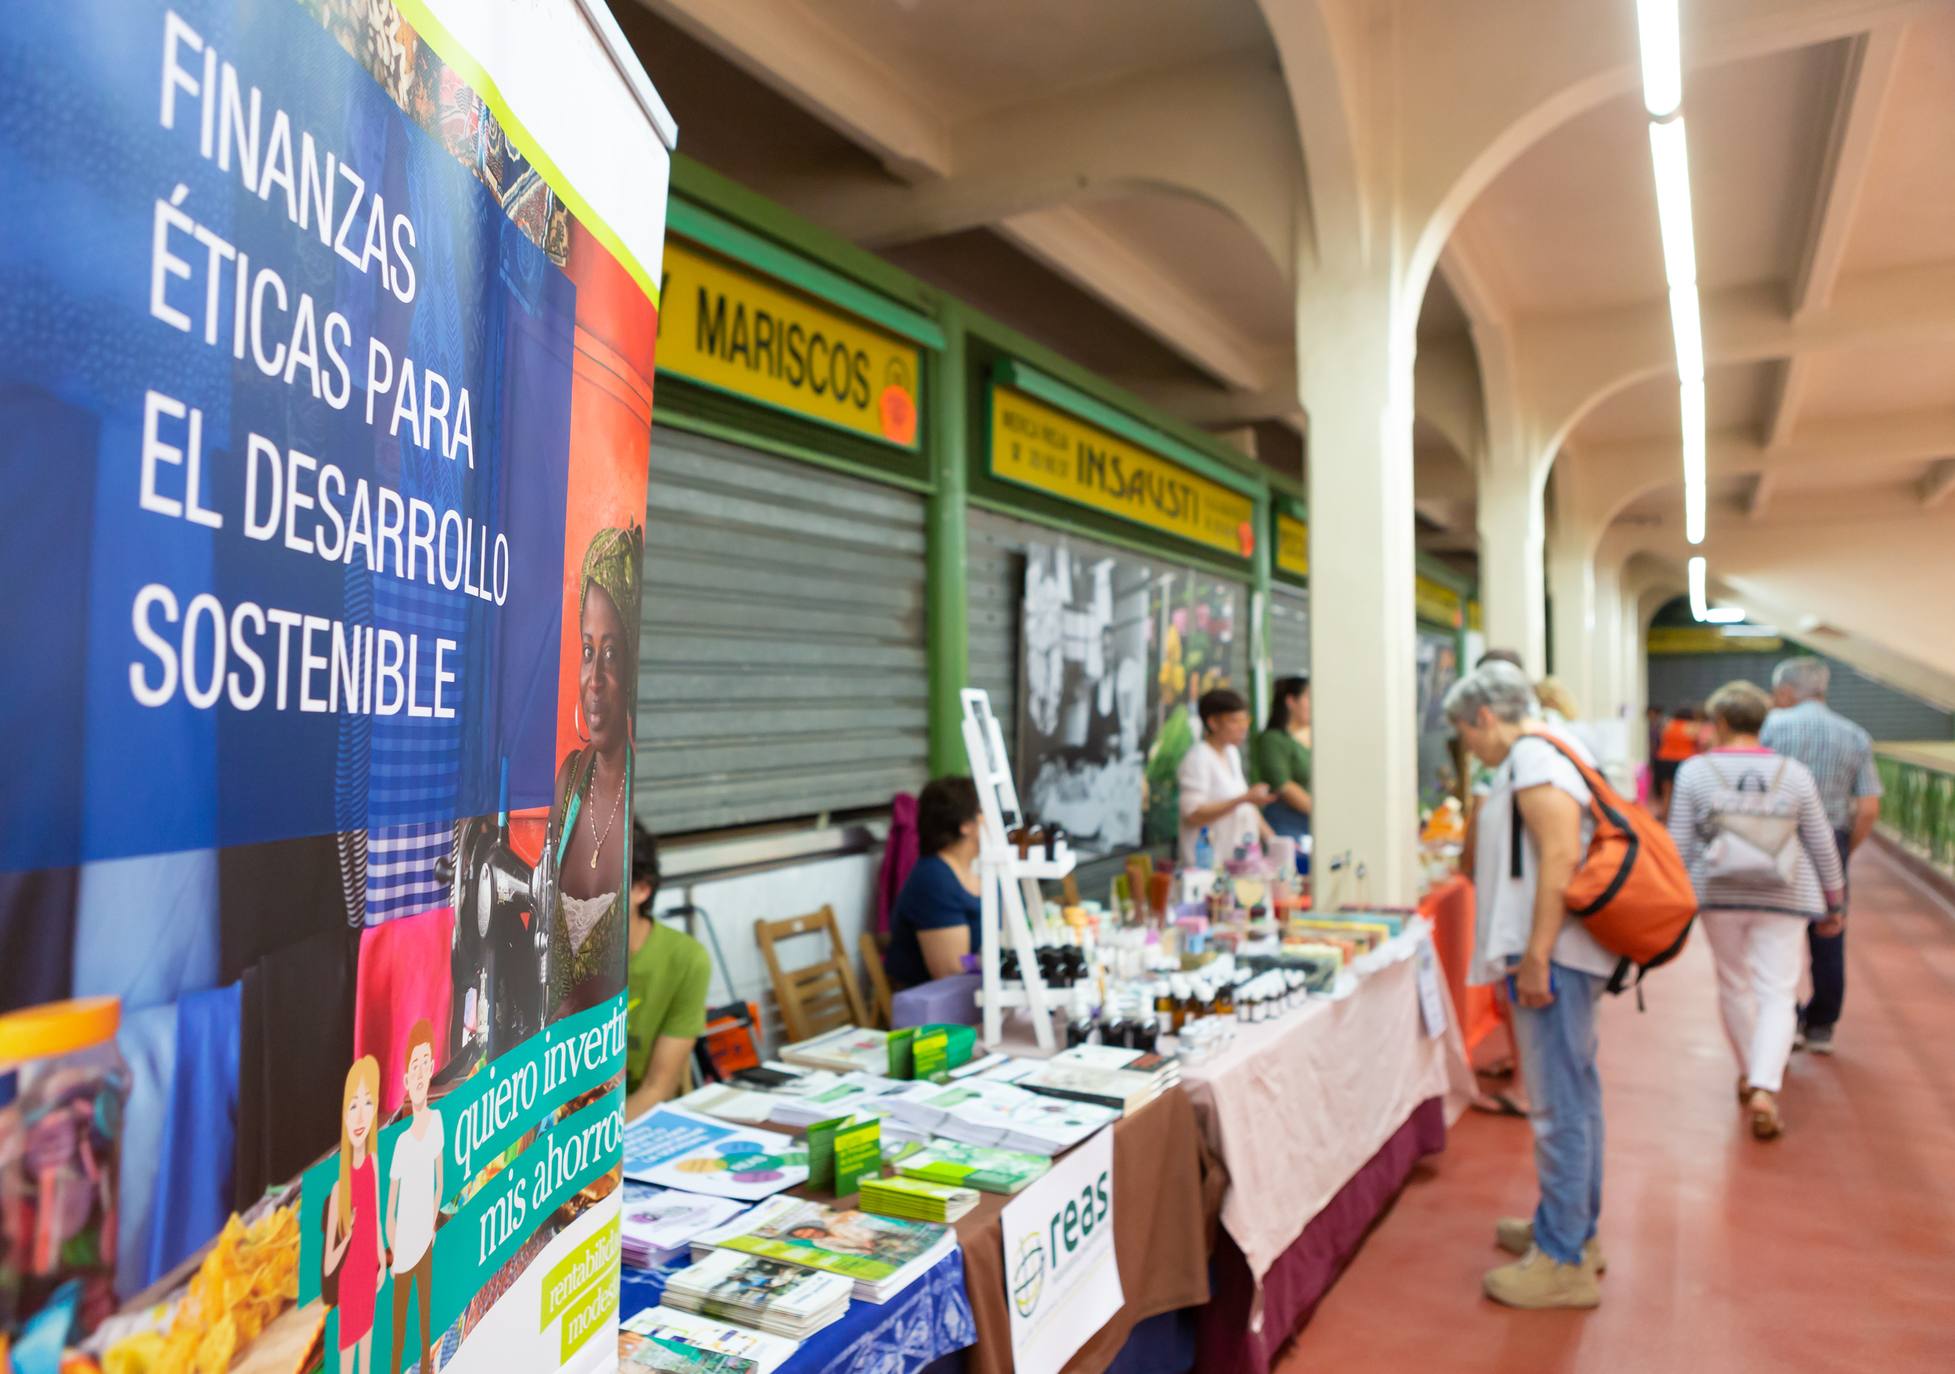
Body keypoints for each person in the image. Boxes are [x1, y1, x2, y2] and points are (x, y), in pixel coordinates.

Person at [1445, 661, 1614, 1310]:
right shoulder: (1548, 750)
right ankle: (1568, 1229)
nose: (1468, 746)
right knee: (1574, 1094)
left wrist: (1538, 954)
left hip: (1553, 958)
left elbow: (1559, 856)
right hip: (1555, 953)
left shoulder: (1534, 761)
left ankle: (1563, 1259)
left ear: (1484, 717)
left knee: (1557, 1106)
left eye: (1465, 733)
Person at [1666, 682, 1843, 1139]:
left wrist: (1670, 902)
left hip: (1718, 892)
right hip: (1785, 893)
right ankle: (1766, 1084)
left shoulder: (1695, 772)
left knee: (1733, 983)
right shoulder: (1795, 773)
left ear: (1720, 723)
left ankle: (1749, 1071)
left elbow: (1678, 844)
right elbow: (1821, 841)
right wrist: (1835, 899)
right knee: (1777, 991)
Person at [545, 525, 644, 1022]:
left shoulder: (640, 797)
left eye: (612, 654)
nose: (596, 679)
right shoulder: (569, 783)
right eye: (588, 652)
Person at [1761, 657, 1882, 1055]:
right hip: (1833, 837)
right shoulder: (1855, 735)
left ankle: (1785, 1016)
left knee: (1777, 930)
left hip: (1778, 838)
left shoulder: (1773, 727)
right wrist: (1845, 846)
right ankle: (1821, 1025)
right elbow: (1867, 808)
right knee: (1830, 929)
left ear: (1784, 692)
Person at [623, 822, 712, 1120]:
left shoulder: (686, 961)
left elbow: (656, 1088)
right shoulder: (552, 959)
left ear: (642, 889)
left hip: (630, 1126)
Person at [886, 777, 984, 988]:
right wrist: (987, 960)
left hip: (975, 996)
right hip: (940, 1008)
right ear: (966, 825)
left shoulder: (975, 869)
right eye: (984, 813)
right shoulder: (934, 879)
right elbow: (952, 969)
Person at [387, 1022, 444, 1374]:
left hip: (426, 1233)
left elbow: (438, 1181)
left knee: (426, 1313)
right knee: (399, 1316)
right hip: (405, 1237)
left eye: (426, 1062)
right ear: (406, 1080)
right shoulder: (401, 1142)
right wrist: (393, 1243)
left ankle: (426, 1364)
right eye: (415, 1065)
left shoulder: (437, 1121)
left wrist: (433, 1221)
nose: (421, 1072)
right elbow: (392, 1199)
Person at [326, 1057, 384, 1374]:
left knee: (367, 1362)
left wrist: (380, 1263)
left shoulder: (373, 1167)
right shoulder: (339, 1188)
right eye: (353, 1106)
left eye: (368, 1103)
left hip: (368, 1277)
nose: (361, 1114)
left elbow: (374, 1220)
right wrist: (344, 1242)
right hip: (348, 1287)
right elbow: (329, 1265)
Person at [1176, 688, 1273, 868]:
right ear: (1212, 722)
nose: (1243, 727)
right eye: (1234, 720)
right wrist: (1244, 798)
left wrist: (1274, 840)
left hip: (1239, 863)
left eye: (1245, 720)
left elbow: (1247, 805)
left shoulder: (1231, 753)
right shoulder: (1198, 758)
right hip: (1208, 867)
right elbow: (1192, 814)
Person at [1253, 676, 1312, 843]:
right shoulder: (1273, 739)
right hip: (1287, 828)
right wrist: (1325, 813)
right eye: (1308, 697)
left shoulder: (1311, 736)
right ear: (1291, 701)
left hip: (1312, 825)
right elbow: (1284, 786)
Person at [1653, 705, 1703, 816]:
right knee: (1683, 792)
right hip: (1684, 761)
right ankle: (1680, 816)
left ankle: (1665, 815)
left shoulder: (1667, 724)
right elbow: (1698, 743)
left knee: (1667, 791)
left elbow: (1660, 739)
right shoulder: (1692, 726)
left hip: (1665, 759)